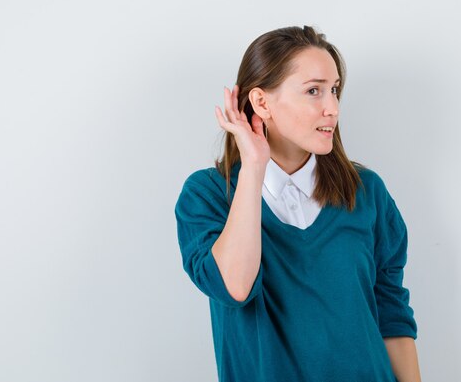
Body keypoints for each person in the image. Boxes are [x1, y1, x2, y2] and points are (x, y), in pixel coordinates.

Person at [174, 25, 422, 382]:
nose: (332, 108)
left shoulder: (366, 191)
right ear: (262, 102)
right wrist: (254, 166)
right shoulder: (208, 195)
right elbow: (236, 287)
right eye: (313, 91)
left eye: (335, 90)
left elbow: (391, 314)